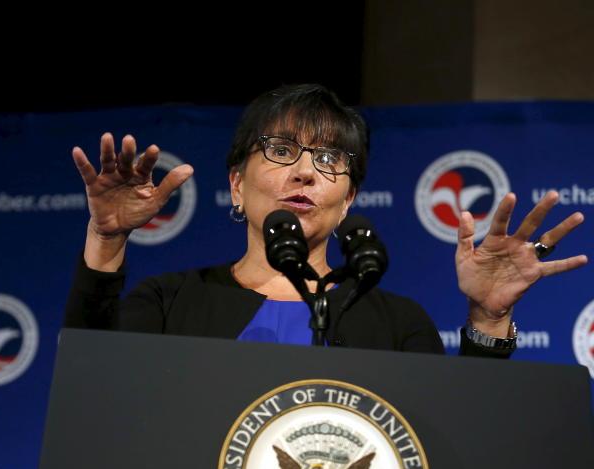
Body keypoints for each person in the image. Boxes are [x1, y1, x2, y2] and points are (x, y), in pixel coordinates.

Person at [65, 84, 587, 353]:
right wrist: (106, 240)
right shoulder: (170, 302)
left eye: (329, 158)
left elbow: (457, 436)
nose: (306, 173)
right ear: (236, 185)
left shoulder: (398, 325)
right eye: (281, 149)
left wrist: (489, 318)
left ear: (348, 198)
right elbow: (94, 388)